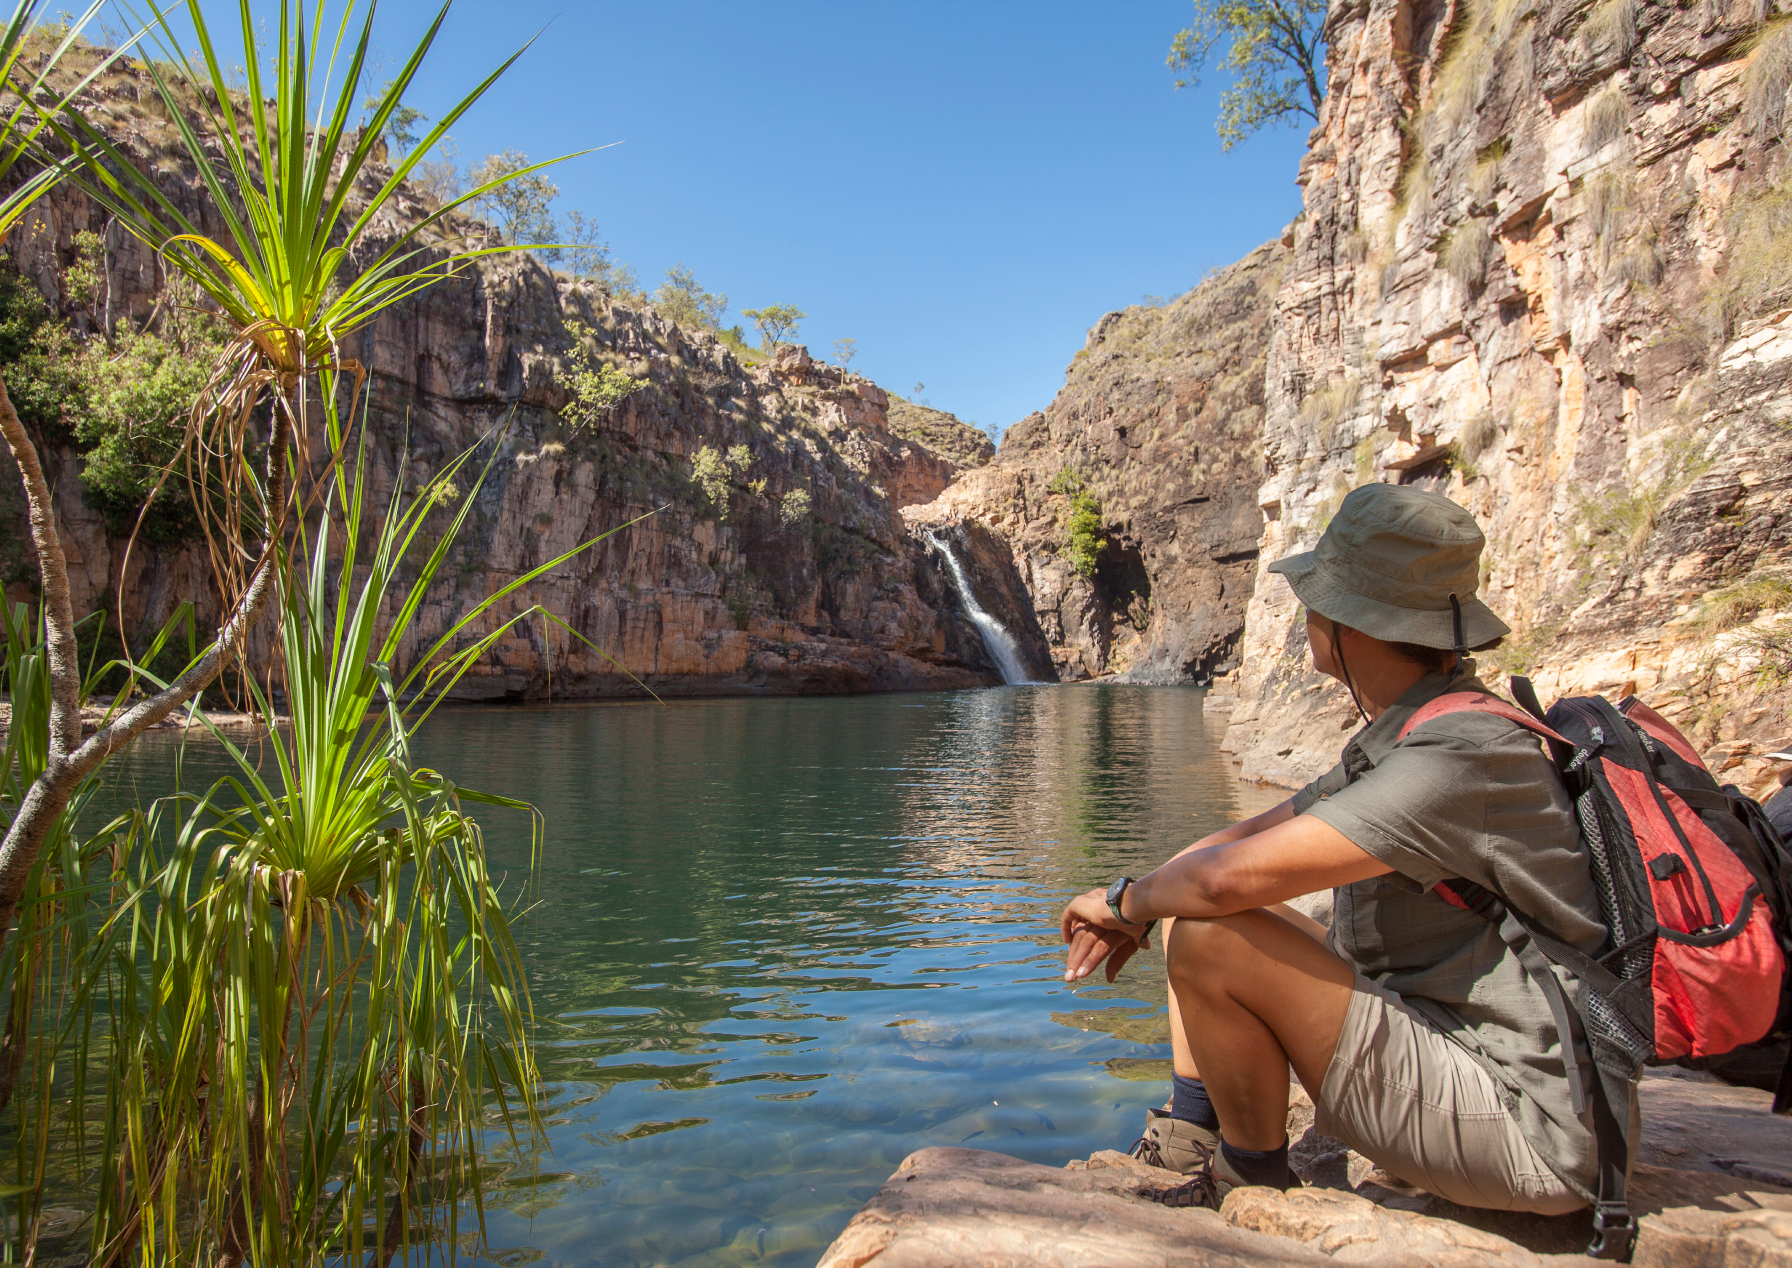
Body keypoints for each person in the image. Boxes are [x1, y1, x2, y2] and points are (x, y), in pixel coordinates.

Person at [1059, 482, 1608, 1213]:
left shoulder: (1461, 753)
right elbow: (1243, 841)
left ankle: (1248, 1183)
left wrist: (1122, 901)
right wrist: (1146, 896)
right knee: (1185, 901)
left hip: (1530, 1130)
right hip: (1455, 1048)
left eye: (1318, 597)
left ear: (1354, 622)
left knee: (1206, 931)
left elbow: (1225, 887)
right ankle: (1191, 1133)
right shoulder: (1418, 727)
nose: (1307, 613)